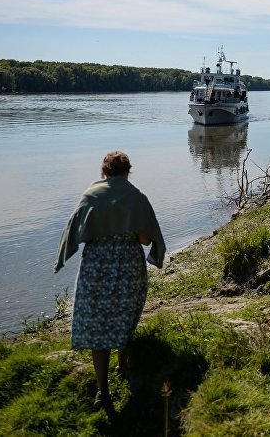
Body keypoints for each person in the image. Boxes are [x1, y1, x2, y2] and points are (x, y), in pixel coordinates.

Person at [55, 151, 166, 411]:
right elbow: (146, 240)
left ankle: (102, 390)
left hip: (96, 266)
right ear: (128, 171)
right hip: (127, 263)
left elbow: (76, 231)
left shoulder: (90, 195)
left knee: (98, 323)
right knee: (124, 314)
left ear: (103, 172)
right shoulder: (136, 197)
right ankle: (122, 366)